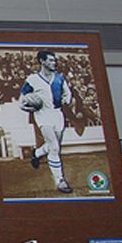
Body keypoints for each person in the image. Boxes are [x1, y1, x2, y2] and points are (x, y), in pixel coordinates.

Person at [19, 50, 75, 194]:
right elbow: (22, 101)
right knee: (55, 148)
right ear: (42, 61)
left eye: (54, 60)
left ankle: (36, 154)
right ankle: (60, 181)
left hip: (58, 114)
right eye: (50, 60)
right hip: (42, 115)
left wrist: (66, 99)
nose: (54, 63)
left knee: (53, 145)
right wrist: (28, 107)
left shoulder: (60, 78)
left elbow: (67, 93)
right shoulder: (32, 79)